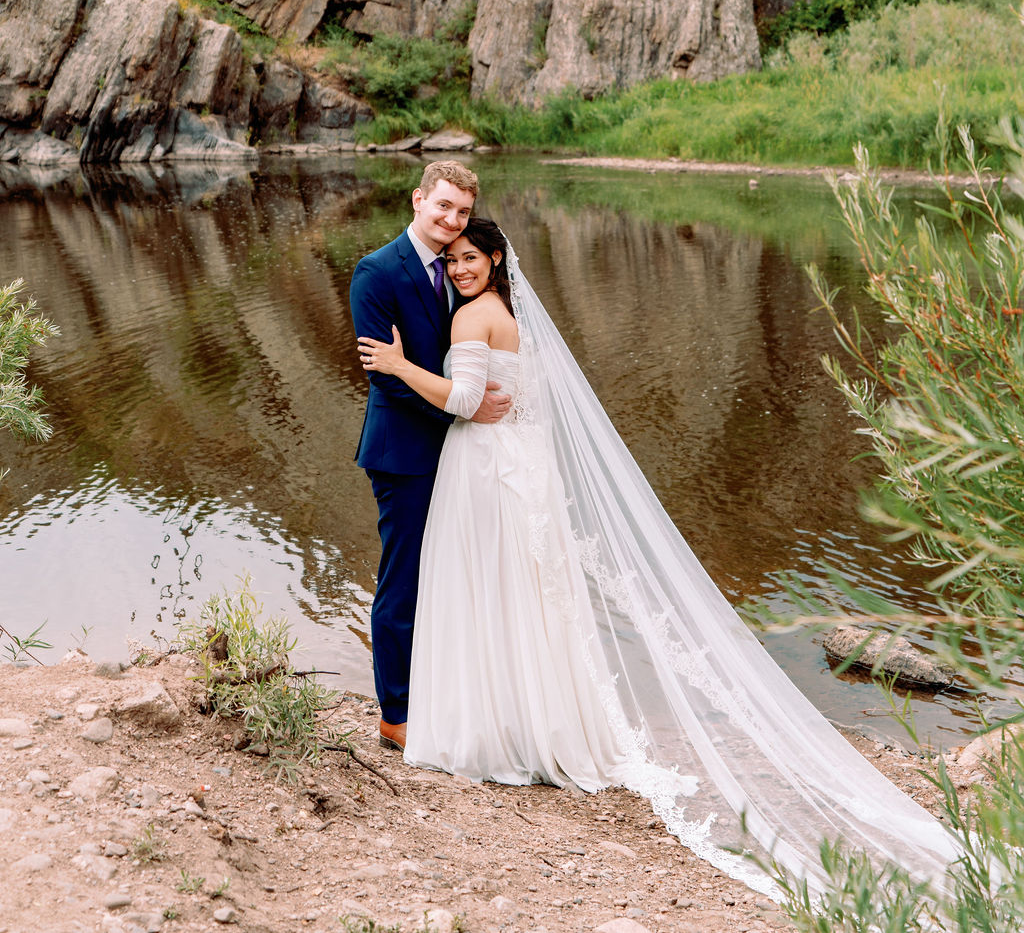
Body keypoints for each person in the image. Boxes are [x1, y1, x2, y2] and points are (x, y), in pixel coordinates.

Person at [357, 217, 962, 902]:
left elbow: (466, 401)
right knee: (525, 596)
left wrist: (402, 365)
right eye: (455, 258)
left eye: (472, 256)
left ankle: (498, 733)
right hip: (521, 468)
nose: (461, 267)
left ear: (496, 258)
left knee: (495, 592)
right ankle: (531, 723)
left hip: (491, 474)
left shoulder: (474, 317)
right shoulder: (512, 312)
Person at [349, 163, 510, 752]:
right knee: (404, 582)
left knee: (452, 576)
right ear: (418, 200)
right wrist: (464, 412)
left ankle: (443, 694)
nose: (451, 219)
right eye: (442, 206)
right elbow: (385, 376)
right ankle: (395, 715)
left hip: (461, 451)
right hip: (405, 453)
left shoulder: (460, 268)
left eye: (462, 211)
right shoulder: (377, 271)